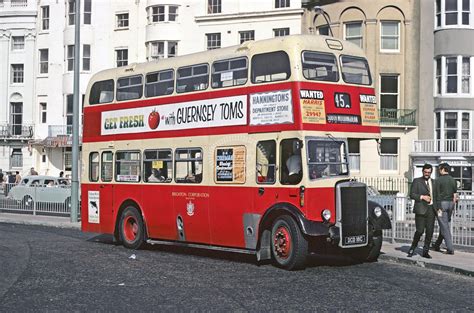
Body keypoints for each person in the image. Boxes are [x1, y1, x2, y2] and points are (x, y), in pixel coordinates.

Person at [408, 164, 436, 258]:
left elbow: (437, 196)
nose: (427, 174)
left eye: (429, 172)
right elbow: (411, 194)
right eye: (425, 172)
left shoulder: (434, 182)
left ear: (431, 172)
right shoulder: (417, 181)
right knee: (419, 231)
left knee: (430, 231)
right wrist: (422, 197)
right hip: (420, 209)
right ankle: (413, 247)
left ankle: (425, 251)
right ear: (422, 171)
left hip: (431, 210)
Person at [432, 163, 458, 255]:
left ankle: (450, 248)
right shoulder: (453, 180)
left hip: (441, 205)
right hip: (451, 204)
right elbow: (455, 195)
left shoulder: (438, 180)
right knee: (444, 225)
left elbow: (435, 195)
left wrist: (436, 208)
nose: (439, 171)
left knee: (444, 226)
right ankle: (437, 245)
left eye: (439, 169)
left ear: (443, 169)